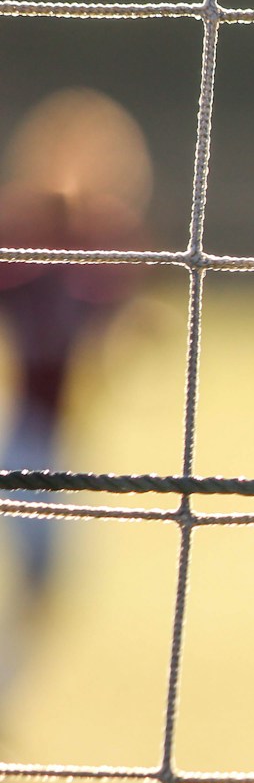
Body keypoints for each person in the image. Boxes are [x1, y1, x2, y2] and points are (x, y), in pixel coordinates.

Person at [0, 88, 152, 611]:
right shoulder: (21, 229)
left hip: (62, 433)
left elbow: (109, 318)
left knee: (46, 582)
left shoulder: (106, 235)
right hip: (22, 429)